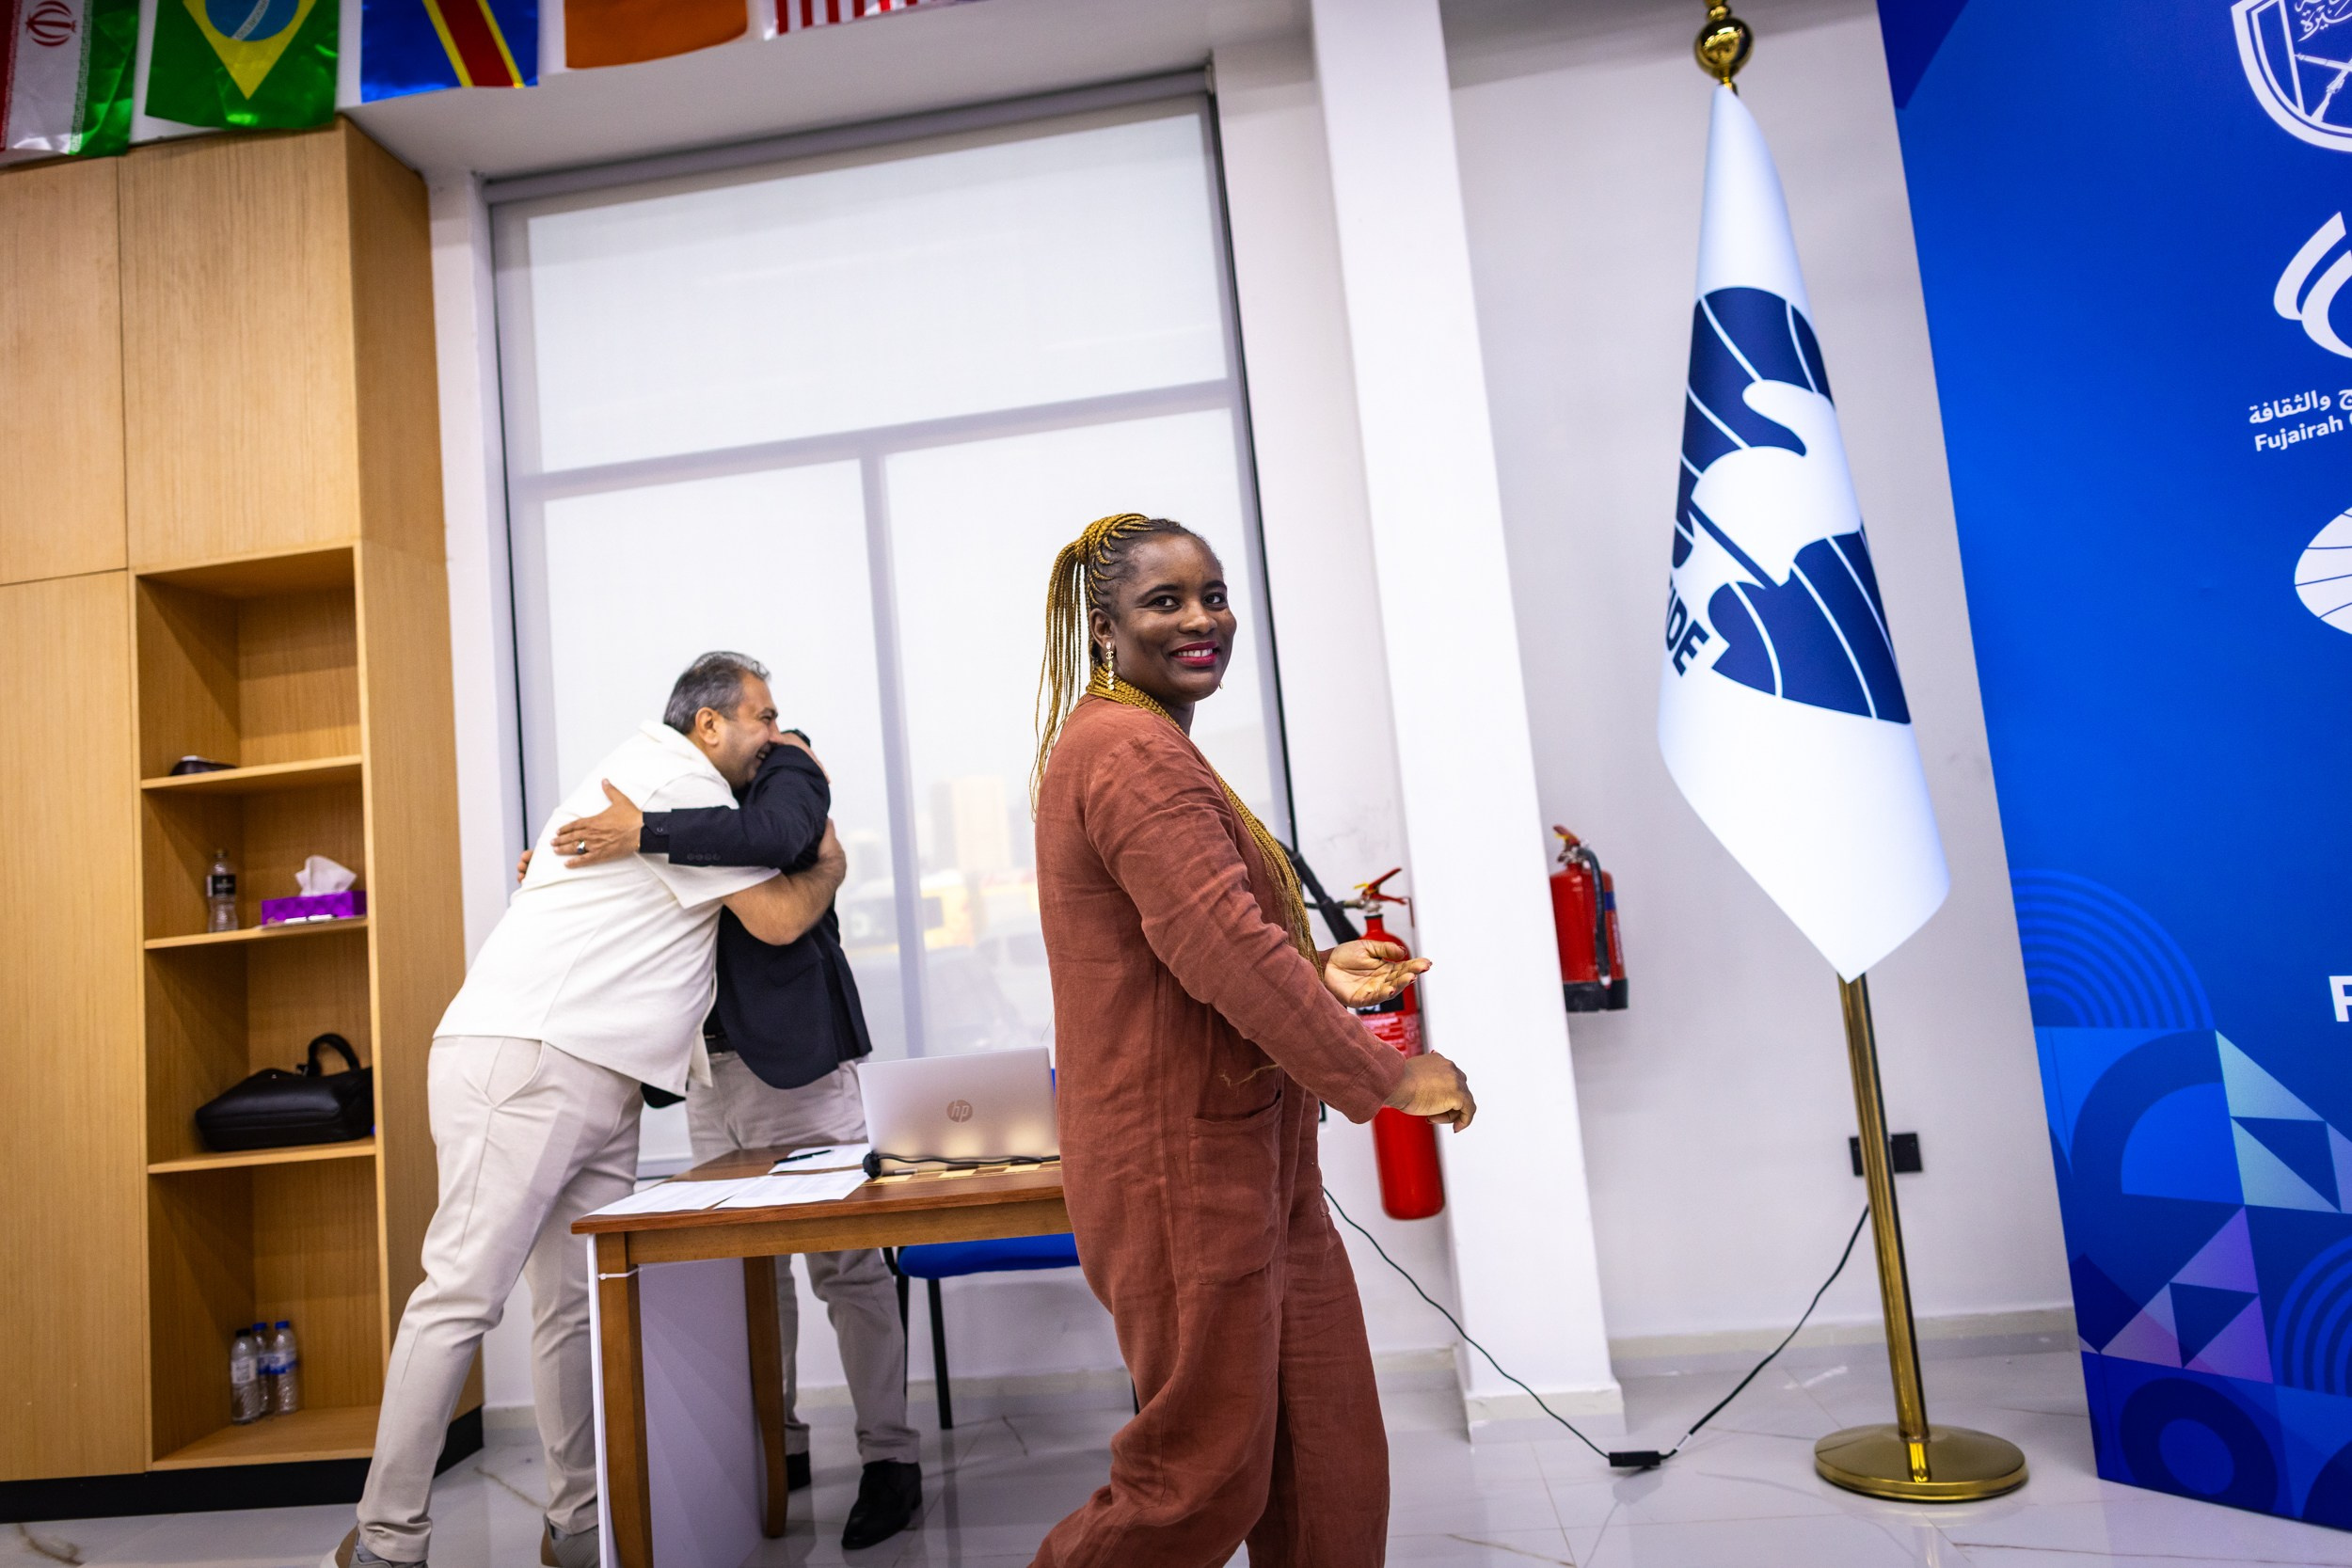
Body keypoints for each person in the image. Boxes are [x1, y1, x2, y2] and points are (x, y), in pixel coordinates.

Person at [324, 652, 846, 1568]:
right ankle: (386, 1539)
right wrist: (831, 863)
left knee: (570, 1308)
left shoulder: (657, 797)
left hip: (599, 1075)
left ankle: (579, 1522)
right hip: (530, 1057)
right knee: (459, 1295)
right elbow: (776, 915)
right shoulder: (670, 778)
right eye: (762, 716)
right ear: (711, 724)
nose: (773, 733)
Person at [1025, 514, 1478, 1567]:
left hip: (1256, 1161)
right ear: (1103, 628)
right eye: (1165, 601)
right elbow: (1222, 948)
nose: (1202, 620)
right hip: (1182, 1169)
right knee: (1196, 1480)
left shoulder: (1149, 740)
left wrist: (1320, 969)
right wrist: (1387, 1073)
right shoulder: (1129, 752)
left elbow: (1194, 942)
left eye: (1213, 594)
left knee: (1329, 1462)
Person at [548, 728, 924, 1549]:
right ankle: (775, 1447)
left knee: (848, 1266)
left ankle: (890, 1459)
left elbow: (778, 899)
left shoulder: (783, 767)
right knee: (751, 1275)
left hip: (798, 1063)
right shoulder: (682, 802)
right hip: (704, 1071)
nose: (769, 725)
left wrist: (663, 845)